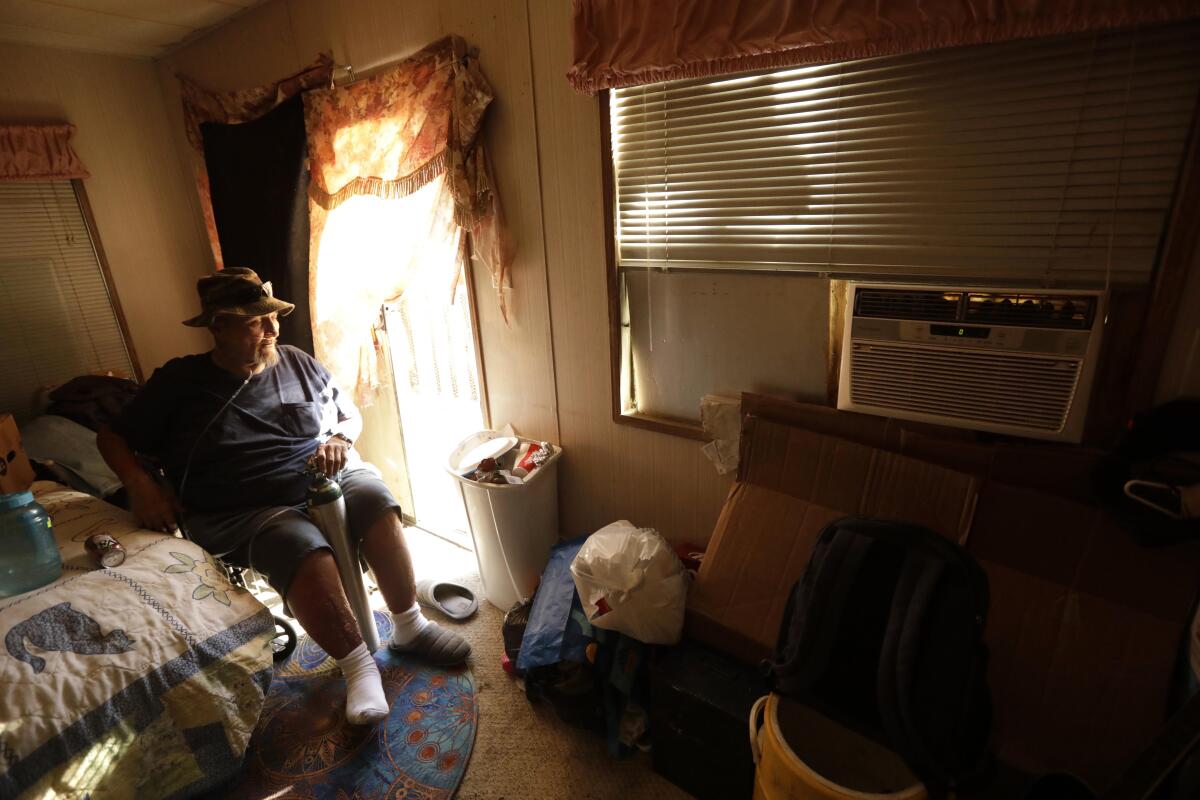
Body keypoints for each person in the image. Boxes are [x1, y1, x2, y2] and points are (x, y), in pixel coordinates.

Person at [97, 267, 469, 726]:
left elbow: (346, 414)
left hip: (319, 478)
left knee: (373, 495)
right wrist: (141, 484)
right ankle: (358, 667)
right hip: (244, 508)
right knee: (298, 543)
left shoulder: (296, 360)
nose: (272, 328)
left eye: (272, 316)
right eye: (255, 321)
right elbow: (111, 436)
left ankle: (410, 625)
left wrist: (339, 439)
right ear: (218, 327)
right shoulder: (179, 383)